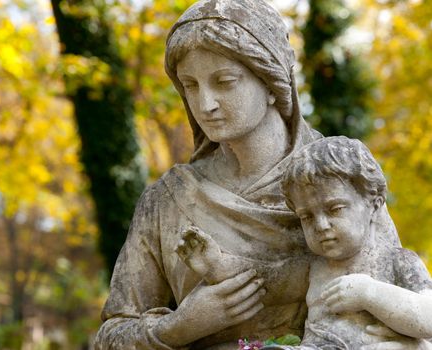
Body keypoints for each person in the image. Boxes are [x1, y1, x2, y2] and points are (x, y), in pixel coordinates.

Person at [94, 1, 401, 349]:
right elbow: (112, 335)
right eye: (190, 86)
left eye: (224, 81)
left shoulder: (336, 176)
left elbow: (393, 306)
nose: (206, 104)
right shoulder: (167, 199)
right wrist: (178, 327)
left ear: (272, 82)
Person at [178, 137, 432, 349]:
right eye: (307, 217)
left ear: (374, 205)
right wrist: (216, 264)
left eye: (334, 209)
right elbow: (263, 280)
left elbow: (428, 316)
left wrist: (368, 293)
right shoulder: (314, 268)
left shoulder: (398, 261)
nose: (321, 225)